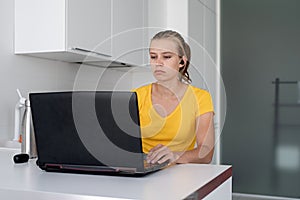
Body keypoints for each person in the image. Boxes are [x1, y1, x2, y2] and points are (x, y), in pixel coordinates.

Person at [133, 30, 215, 165]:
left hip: (182, 173)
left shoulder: (200, 98)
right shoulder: (136, 96)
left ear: (181, 62)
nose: (158, 63)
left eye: (166, 57)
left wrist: (175, 155)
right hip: (143, 172)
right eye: (153, 57)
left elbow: (206, 153)